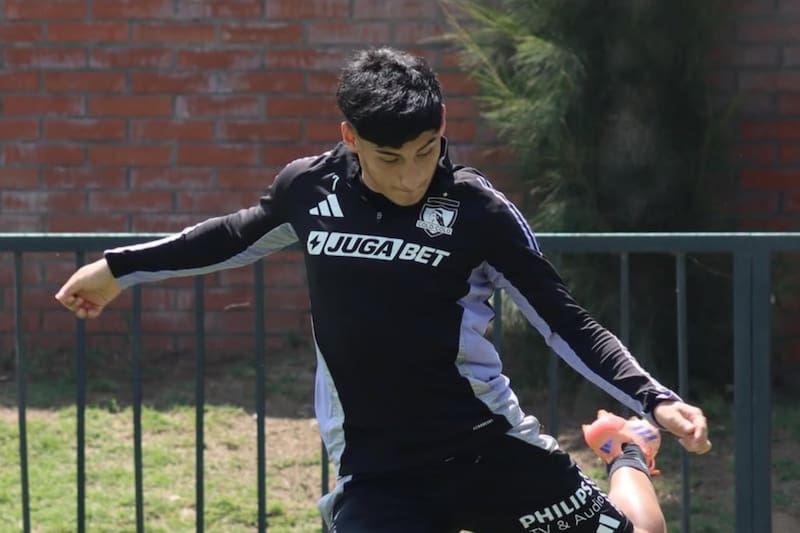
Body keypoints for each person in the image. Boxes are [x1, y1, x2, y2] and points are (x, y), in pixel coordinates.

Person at [56, 47, 711, 533]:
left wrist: (654, 399)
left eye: (426, 151)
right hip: (380, 466)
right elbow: (231, 234)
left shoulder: (476, 211)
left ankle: (626, 449)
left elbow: (566, 321)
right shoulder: (311, 190)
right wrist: (117, 268)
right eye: (389, 159)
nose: (410, 177)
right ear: (350, 138)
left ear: (443, 126)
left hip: (486, 445)